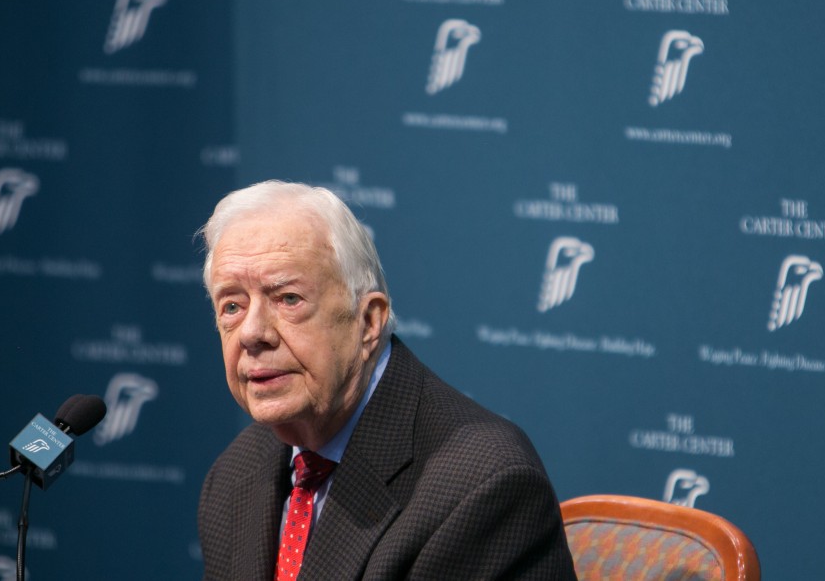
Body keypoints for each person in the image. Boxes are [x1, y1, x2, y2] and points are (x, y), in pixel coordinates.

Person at [197, 180, 577, 580]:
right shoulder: (234, 476)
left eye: (288, 299)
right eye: (233, 306)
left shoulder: (482, 486)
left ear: (368, 322)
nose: (253, 333)